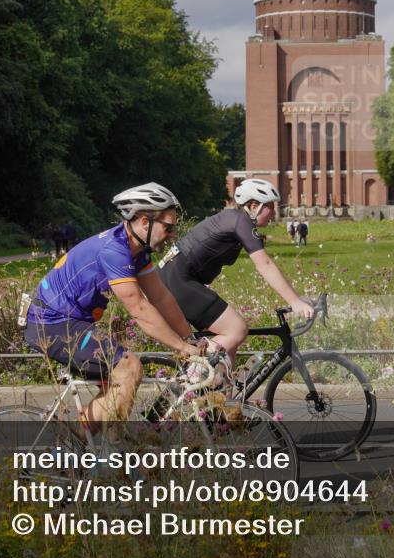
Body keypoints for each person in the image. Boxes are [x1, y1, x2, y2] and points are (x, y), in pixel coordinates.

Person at [23, 182, 204, 436]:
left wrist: (189, 339)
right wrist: (182, 348)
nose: (173, 234)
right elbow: (139, 307)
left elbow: (161, 297)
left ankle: (78, 446)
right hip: (51, 323)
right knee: (129, 368)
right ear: (144, 222)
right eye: (168, 227)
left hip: (70, 321)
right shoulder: (115, 251)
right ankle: (111, 452)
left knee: (117, 384)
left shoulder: (136, 251)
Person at [156, 178, 313, 365]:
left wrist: (296, 298)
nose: (273, 212)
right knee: (236, 330)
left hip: (172, 277)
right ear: (253, 206)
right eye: (270, 206)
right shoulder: (241, 222)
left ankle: (220, 383)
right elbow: (265, 265)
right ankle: (192, 375)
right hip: (178, 281)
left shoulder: (234, 218)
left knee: (228, 347)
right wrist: (294, 302)